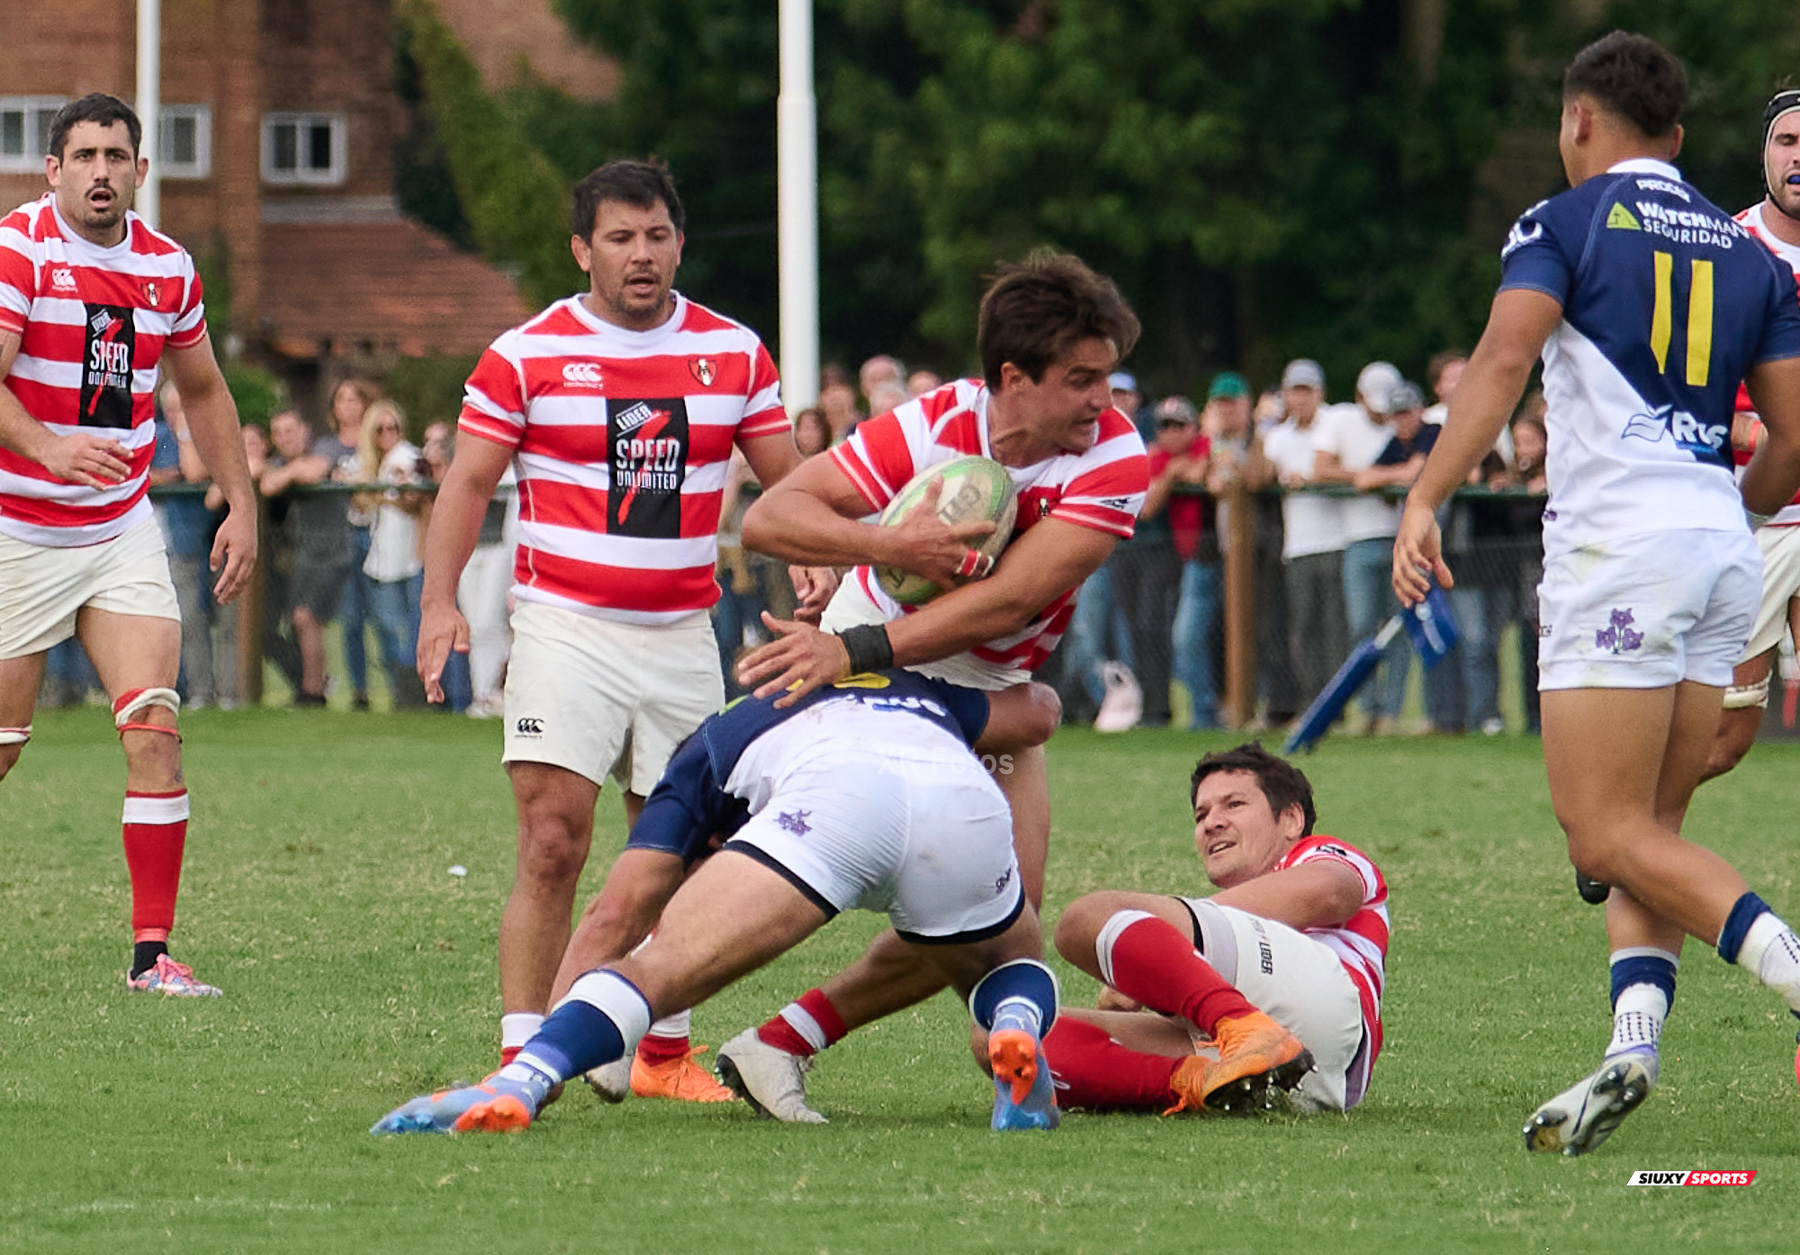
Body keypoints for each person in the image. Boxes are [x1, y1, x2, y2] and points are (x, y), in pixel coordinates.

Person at [1393, 32, 1800, 1157]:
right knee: (1648, 833)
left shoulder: (1561, 224)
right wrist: (1731, 514)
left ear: (1578, 123)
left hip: (1617, 550)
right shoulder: (1747, 250)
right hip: (1719, 540)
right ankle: (1632, 1052)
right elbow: (1794, 441)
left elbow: (1497, 366)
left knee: (1601, 828)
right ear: (1677, 137)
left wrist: (1425, 497)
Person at [414, 158, 832, 1100]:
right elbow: (469, 482)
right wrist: (440, 601)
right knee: (553, 840)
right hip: (565, 627)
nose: (640, 256)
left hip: (684, 632)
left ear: (679, 243)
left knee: (678, 849)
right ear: (582, 249)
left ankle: (662, 1055)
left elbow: (794, 482)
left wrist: (818, 551)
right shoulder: (526, 353)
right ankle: (526, 1050)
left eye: (656, 236)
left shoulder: (734, 353)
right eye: (619, 238)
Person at [711, 248, 1149, 1122]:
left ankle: (780, 1042)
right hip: (865, 666)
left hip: (968, 674)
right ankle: (576, 1030)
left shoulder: (1115, 458)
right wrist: (881, 551)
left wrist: (861, 636)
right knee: (695, 849)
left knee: (1004, 912)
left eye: (1109, 375)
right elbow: (771, 516)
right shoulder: (939, 418)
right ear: (1013, 379)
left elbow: (1013, 598)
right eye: (1081, 379)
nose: (1105, 399)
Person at [372, 669, 1063, 1136]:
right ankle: (1016, 1018)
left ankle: (523, 1080)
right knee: (1008, 954)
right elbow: (1038, 712)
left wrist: (546, 1050)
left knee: (657, 968)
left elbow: (617, 912)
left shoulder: (699, 757)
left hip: (836, 798)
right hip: (959, 794)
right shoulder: (902, 681)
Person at [0, 93, 257, 994]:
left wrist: (243, 502)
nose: (102, 171)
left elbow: (206, 389)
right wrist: (48, 444)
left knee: (154, 723)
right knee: (3, 743)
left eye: (117, 155)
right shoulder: (19, 248)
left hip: (118, 529)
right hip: (15, 527)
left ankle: (152, 956)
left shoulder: (167, 267)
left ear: (141, 171)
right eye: (85, 156)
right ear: (54, 169)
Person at [1043, 743, 1387, 1115]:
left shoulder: (1314, 853)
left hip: (1327, 1008)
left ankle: (1246, 1029)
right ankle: (1206, 1083)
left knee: (1087, 918)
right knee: (1009, 1036)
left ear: (1291, 819)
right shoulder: (1226, 934)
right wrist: (1151, 951)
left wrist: (1150, 942)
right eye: (1200, 815)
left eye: (1234, 805)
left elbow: (1331, 891)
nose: (1211, 822)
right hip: (1301, 1077)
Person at [1702, 89, 1800, 781]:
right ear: (1764, 153)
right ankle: (1622, 835)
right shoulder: (1726, 253)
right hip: (1754, 519)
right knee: (1727, 735)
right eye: (1787, 142)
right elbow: (1689, 388)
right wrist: (1758, 427)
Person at [1316, 361, 1409, 733]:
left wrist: (1375, 478)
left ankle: (1392, 712)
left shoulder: (1407, 424)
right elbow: (1320, 469)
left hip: (1400, 538)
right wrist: (1367, 477)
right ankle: (1366, 708)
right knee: (1361, 628)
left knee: (1398, 629)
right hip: (1358, 538)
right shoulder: (1342, 421)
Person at [1262, 359, 1346, 717]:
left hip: (1337, 540)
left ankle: (1338, 704)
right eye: (1294, 391)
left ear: (1319, 393)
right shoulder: (1278, 435)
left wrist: (1309, 479)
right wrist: (1261, 427)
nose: (1300, 399)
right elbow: (1257, 476)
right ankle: (1315, 703)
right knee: (1304, 629)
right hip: (1297, 546)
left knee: (1335, 629)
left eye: (1306, 391)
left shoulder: (1336, 424)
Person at [258, 408, 352, 706]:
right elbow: (265, 482)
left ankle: (314, 691)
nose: (286, 438)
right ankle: (312, 687)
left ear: (305, 431)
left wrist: (288, 473)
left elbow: (313, 471)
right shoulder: (277, 463)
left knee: (305, 618)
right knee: (297, 621)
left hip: (333, 551)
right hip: (302, 555)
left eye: (291, 430)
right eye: (279, 433)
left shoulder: (326, 447)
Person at [150, 380, 234, 709]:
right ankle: (200, 691)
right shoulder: (156, 435)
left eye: (181, 407)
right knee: (189, 619)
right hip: (179, 543)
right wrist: (167, 475)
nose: (175, 415)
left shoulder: (208, 434)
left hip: (216, 540)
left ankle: (230, 693)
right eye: (170, 408)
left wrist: (186, 433)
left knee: (227, 620)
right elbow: (140, 473)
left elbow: (195, 471)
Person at [358, 399, 429, 706]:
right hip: (382, 555)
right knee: (387, 625)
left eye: (393, 427)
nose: (388, 433)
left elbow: (414, 502)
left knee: (405, 628)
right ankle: (400, 690)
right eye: (380, 428)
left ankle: (412, 693)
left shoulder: (410, 457)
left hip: (408, 555)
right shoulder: (374, 462)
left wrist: (386, 495)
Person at [324, 377, 381, 710]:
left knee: (385, 616)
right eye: (341, 399)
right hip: (341, 536)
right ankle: (360, 689)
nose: (348, 406)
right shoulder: (329, 447)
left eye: (354, 399)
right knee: (351, 617)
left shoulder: (378, 440)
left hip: (377, 535)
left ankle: (404, 687)